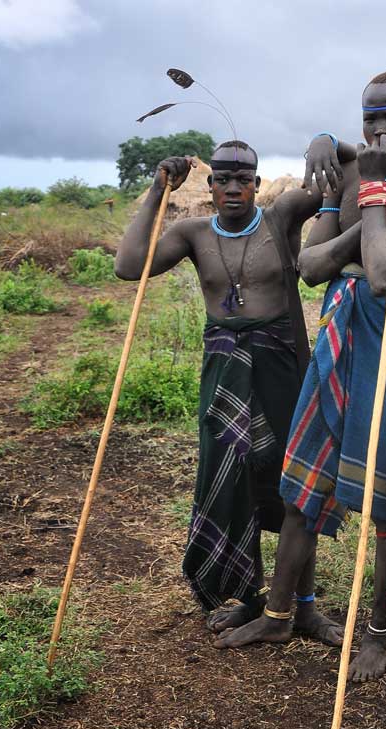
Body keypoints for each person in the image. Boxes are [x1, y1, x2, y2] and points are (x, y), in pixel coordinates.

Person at [211, 72, 386, 685]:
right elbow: (312, 266)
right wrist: (363, 203)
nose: (380, 131)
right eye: (369, 121)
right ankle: (278, 613)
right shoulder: (351, 176)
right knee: (302, 489)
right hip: (335, 343)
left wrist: (372, 196)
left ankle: (377, 633)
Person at [115, 140, 341, 642]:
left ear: (258, 185)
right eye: (223, 179)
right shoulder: (191, 233)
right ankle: (257, 601)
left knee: (294, 486)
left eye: (244, 180)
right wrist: (158, 189)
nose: (233, 188)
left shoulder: (280, 218)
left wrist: (326, 143)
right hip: (224, 374)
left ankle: (301, 606)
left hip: (283, 366)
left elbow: (340, 177)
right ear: (210, 185)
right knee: (232, 483)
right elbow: (129, 266)